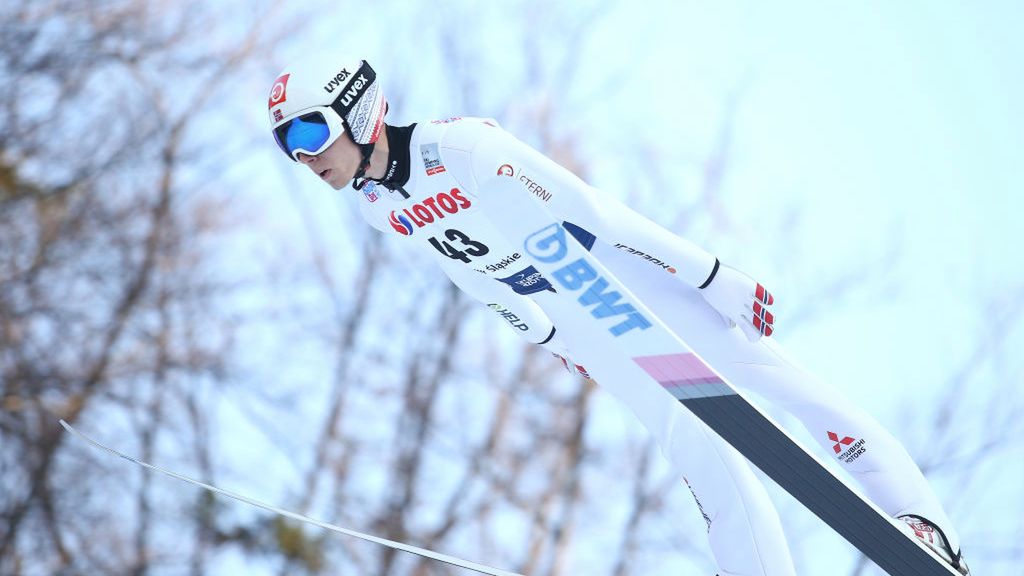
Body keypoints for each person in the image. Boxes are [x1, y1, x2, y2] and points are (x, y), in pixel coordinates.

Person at [266, 54, 971, 576]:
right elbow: (470, 276)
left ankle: (925, 527)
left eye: (307, 133)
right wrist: (544, 336)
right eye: (286, 146)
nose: (302, 157)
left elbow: (595, 216)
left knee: (778, 386)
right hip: (580, 324)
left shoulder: (465, 149)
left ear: (356, 108)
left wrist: (709, 275)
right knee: (699, 454)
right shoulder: (376, 206)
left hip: (628, 287)